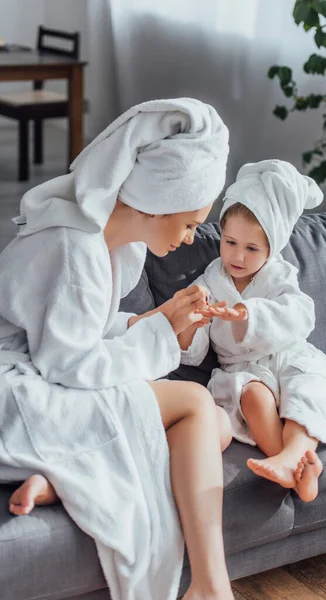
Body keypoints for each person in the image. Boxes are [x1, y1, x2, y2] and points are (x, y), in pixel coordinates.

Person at [0, 98, 235, 600]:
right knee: (196, 404)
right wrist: (163, 334)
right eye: (190, 223)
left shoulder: (112, 245)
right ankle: (212, 589)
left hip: (49, 376)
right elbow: (69, 363)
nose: (192, 237)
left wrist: (161, 319)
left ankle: (67, 477)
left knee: (218, 424)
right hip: (18, 392)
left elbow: (85, 332)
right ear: (157, 199)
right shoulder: (72, 245)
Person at [179, 159, 326, 503]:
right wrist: (192, 322)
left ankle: (291, 459)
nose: (238, 257)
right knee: (252, 398)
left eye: (251, 249)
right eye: (230, 242)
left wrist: (248, 313)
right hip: (244, 369)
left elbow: (301, 314)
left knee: (304, 392)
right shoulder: (210, 281)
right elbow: (194, 351)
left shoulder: (280, 275)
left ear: (270, 249)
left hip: (288, 357)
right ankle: (296, 467)